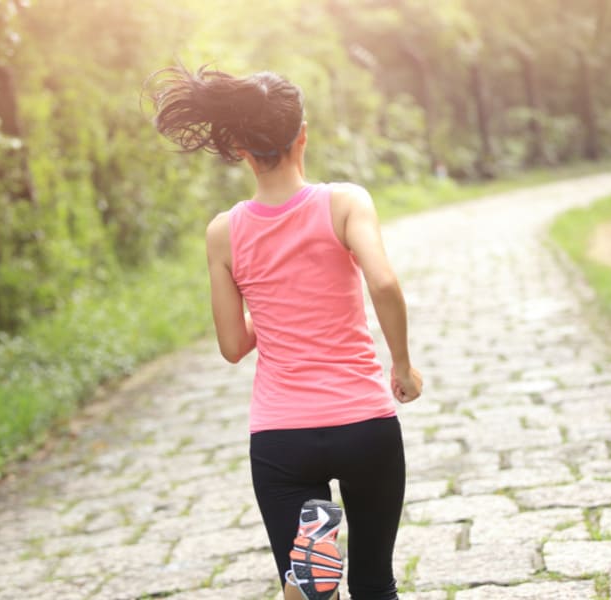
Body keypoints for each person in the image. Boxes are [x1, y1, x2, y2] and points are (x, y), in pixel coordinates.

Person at [150, 64, 422, 600]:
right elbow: (384, 283)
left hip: (284, 444)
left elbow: (232, 346)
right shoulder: (345, 203)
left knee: (313, 587)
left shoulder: (224, 232)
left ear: (242, 151)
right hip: (363, 428)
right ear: (303, 135)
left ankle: (310, 579)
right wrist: (402, 365)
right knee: (373, 582)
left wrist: (275, 307)